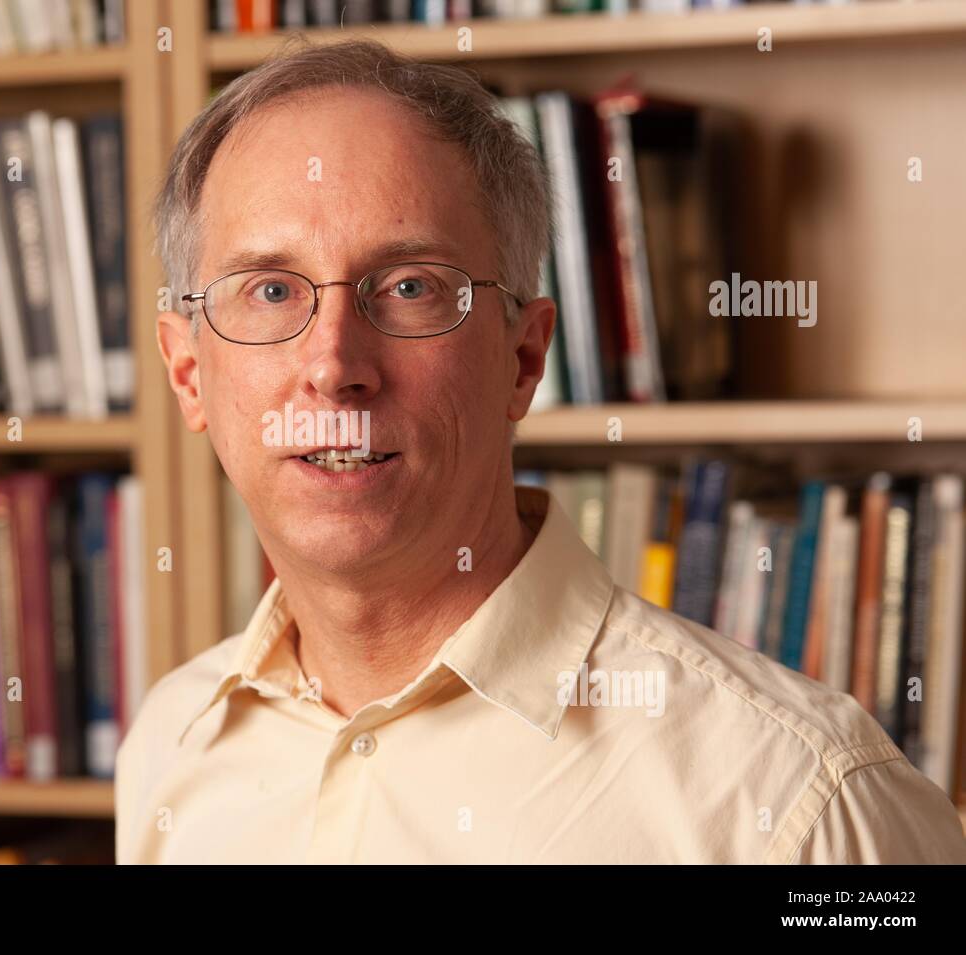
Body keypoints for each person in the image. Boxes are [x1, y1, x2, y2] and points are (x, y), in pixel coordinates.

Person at [115, 38, 966, 863]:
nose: (334, 367)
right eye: (269, 289)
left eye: (410, 286)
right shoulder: (171, 746)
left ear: (523, 359)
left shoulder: (802, 807)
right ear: (188, 372)